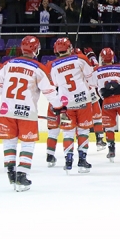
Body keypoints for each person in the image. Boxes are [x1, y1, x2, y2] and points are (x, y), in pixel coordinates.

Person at [0, 36, 56, 191]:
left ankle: (10, 172)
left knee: (9, 143)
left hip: (7, 112)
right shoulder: (38, 68)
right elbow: (50, 91)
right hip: (27, 113)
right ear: (36, 49)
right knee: (27, 143)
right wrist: (60, 106)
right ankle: (22, 174)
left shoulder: (7, 64)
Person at [46, 37, 96, 173]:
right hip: (83, 101)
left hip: (65, 104)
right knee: (84, 131)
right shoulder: (81, 58)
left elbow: (54, 84)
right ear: (70, 48)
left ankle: (68, 161)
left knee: (68, 132)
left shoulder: (53, 65)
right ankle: (82, 160)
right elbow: (91, 78)